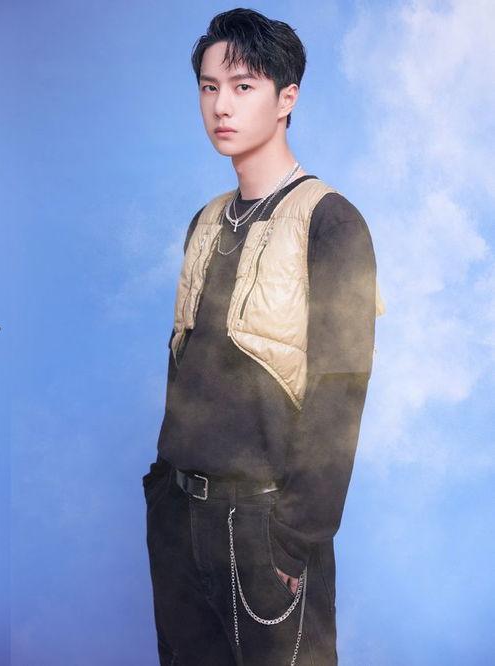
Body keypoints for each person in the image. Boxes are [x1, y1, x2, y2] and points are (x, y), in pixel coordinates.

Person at [142, 8, 385, 665]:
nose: (220, 105)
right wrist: (161, 491)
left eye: (243, 86)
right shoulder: (205, 220)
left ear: (286, 98)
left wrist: (294, 536)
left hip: (263, 529)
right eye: (208, 86)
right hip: (179, 517)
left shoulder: (331, 221)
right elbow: (183, 365)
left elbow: (341, 390)